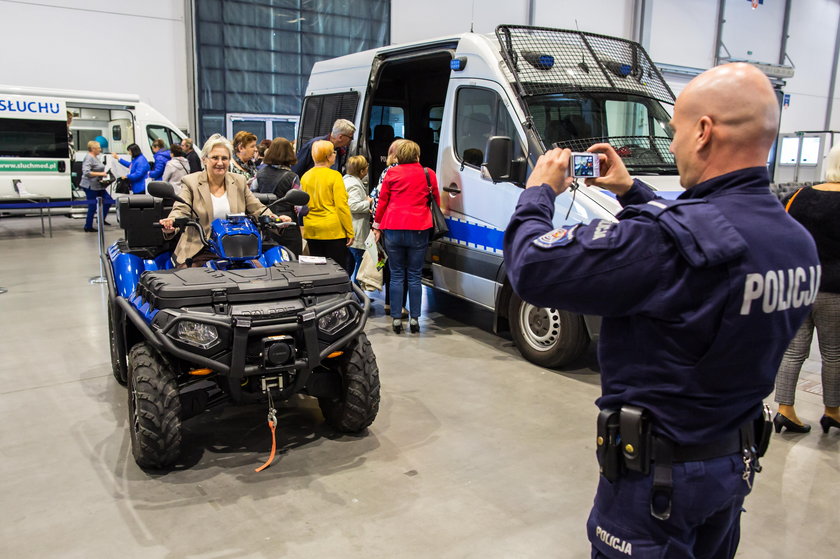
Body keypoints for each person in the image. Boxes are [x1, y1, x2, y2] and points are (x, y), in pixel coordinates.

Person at [503, 63, 820, 558]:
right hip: (730, 466)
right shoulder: (795, 241)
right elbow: (701, 238)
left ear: (703, 131)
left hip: (658, 484)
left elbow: (530, 267)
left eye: (673, 131)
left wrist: (538, 192)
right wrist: (632, 192)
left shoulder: (662, 243)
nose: (672, 146)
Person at [773, 143, 840, 435]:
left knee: (792, 350)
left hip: (798, 285)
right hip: (834, 290)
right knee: (834, 354)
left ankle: (785, 410)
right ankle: (833, 411)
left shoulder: (797, 196)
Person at [159, 134, 289, 268]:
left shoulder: (238, 181)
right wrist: (171, 223)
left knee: (260, 277)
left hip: (236, 249)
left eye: (224, 158)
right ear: (204, 160)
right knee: (192, 282)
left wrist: (276, 220)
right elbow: (181, 209)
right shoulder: (190, 182)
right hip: (201, 249)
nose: (220, 163)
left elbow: (257, 208)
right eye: (215, 157)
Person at [372, 140, 439, 334]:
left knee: (396, 274)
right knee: (415, 275)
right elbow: (436, 199)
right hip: (419, 228)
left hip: (393, 227)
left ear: (398, 156)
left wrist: (376, 226)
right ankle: (415, 319)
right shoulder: (428, 174)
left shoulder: (391, 173)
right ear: (417, 156)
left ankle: (395, 319)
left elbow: (382, 201)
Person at [299, 140, 354, 273]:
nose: (335, 155)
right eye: (334, 152)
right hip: (332, 230)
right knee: (337, 271)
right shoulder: (335, 176)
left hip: (312, 229)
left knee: (318, 271)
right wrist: (350, 231)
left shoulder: (305, 176)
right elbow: (342, 206)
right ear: (328, 156)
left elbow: (303, 204)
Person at [371, 139, 408, 317]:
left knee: (389, 265)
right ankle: (399, 305)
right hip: (401, 226)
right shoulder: (408, 171)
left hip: (386, 225)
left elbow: (377, 199)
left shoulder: (387, 171)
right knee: (402, 268)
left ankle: (388, 303)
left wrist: (376, 224)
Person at [256, 137, 303, 256]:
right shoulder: (293, 177)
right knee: (292, 263)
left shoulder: (259, 173)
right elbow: (300, 208)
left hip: (266, 224)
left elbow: (253, 195)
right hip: (287, 225)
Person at [343, 155, 373, 282]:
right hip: (356, 231)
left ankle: (349, 293)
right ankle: (359, 296)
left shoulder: (346, 180)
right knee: (361, 266)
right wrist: (368, 202)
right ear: (361, 171)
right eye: (366, 167)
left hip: (350, 230)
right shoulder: (354, 184)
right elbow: (353, 206)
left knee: (349, 266)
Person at [79, 140, 113, 232]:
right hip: (90, 186)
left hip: (98, 185)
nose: (100, 149)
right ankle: (88, 226)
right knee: (92, 206)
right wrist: (101, 173)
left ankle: (100, 219)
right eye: (98, 148)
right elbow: (86, 172)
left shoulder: (96, 157)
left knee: (108, 200)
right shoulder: (89, 158)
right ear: (93, 149)